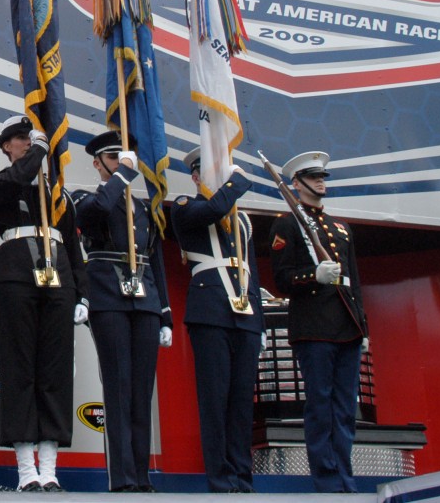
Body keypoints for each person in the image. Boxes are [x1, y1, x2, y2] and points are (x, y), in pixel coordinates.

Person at [0, 116, 88, 492]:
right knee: (19, 371)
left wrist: (82, 294)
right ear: (7, 146)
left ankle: (51, 468)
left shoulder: (59, 197)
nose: (29, 143)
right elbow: (16, 180)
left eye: (33, 138)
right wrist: (41, 150)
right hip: (15, 279)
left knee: (54, 374)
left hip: (57, 283)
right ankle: (26, 469)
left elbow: (74, 250)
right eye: (22, 139)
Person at [73, 131, 173, 493]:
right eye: (112, 158)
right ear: (98, 163)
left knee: (141, 390)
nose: (121, 163)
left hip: (144, 299)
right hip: (108, 295)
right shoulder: (88, 196)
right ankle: (123, 476)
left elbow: (156, 260)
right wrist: (121, 176)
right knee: (118, 387)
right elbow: (94, 213)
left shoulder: (144, 208)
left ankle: (142, 475)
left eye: (123, 157)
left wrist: (165, 314)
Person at [269, 150, 368, 493]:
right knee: (321, 405)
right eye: (314, 178)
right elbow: (281, 280)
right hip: (314, 327)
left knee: (344, 409)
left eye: (322, 177)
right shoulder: (286, 224)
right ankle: (327, 480)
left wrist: (363, 328)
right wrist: (314, 275)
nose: (321, 182)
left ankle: (345, 477)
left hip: (346, 326)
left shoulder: (341, 228)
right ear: (296, 184)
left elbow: (354, 281)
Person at [169, 147, 263, 493]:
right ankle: (221, 480)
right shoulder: (185, 207)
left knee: (241, 403)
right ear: (196, 177)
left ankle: (242, 476)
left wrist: (261, 323)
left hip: (246, 315)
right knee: (215, 399)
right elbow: (212, 209)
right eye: (209, 173)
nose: (220, 178)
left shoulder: (241, 220)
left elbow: (251, 272)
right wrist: (236, 183)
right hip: (210, 313)